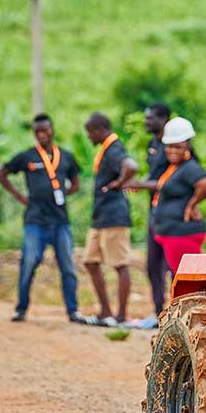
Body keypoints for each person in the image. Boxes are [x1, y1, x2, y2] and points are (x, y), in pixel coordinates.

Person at [0, 113, 85, 323]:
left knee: (67, 265)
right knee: (29, 261)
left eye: (45, 130)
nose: (42, 135)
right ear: (34, 134)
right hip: (35, 220)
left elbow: (76, 183)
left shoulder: (67, 156)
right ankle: (21, 308)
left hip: (60, 220)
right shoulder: (27, 157)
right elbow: (1, 173)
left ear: (52, 130)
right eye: (37, 132)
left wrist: (61, 196)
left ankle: (73, 311)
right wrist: (19, 196)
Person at [80, 112, 138, 325]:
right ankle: (105, 312)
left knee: (120, 264)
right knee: (90, 261)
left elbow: (131, 166)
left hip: (114, 216)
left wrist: (119, 182)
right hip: (101, 217)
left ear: (99, 130)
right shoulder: (107, 149)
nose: (88, 137)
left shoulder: (114, 149)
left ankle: (121, 316)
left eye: (89, 133)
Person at [150, 117, 206, 274]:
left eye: (177, 147)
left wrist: (192, 205)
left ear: (187, 146)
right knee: (180, 276)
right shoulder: (174, 167)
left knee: (189, 277)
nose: (172, 150)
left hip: (181, 233)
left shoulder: (189, 167)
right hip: (170, 232)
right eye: (169, 146)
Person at [125, 103, 172, 318]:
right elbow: (155, 176)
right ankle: (158, 312)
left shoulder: (174, 147)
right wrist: (142, 183)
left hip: (173, 214)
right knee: (152, 265)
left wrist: (142, 184)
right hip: (154, 212)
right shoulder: (152, 144)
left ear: (164, 119)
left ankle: (176, 312)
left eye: (150, 118)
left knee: (172, 265)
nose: (146, 122)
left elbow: (171, 180)